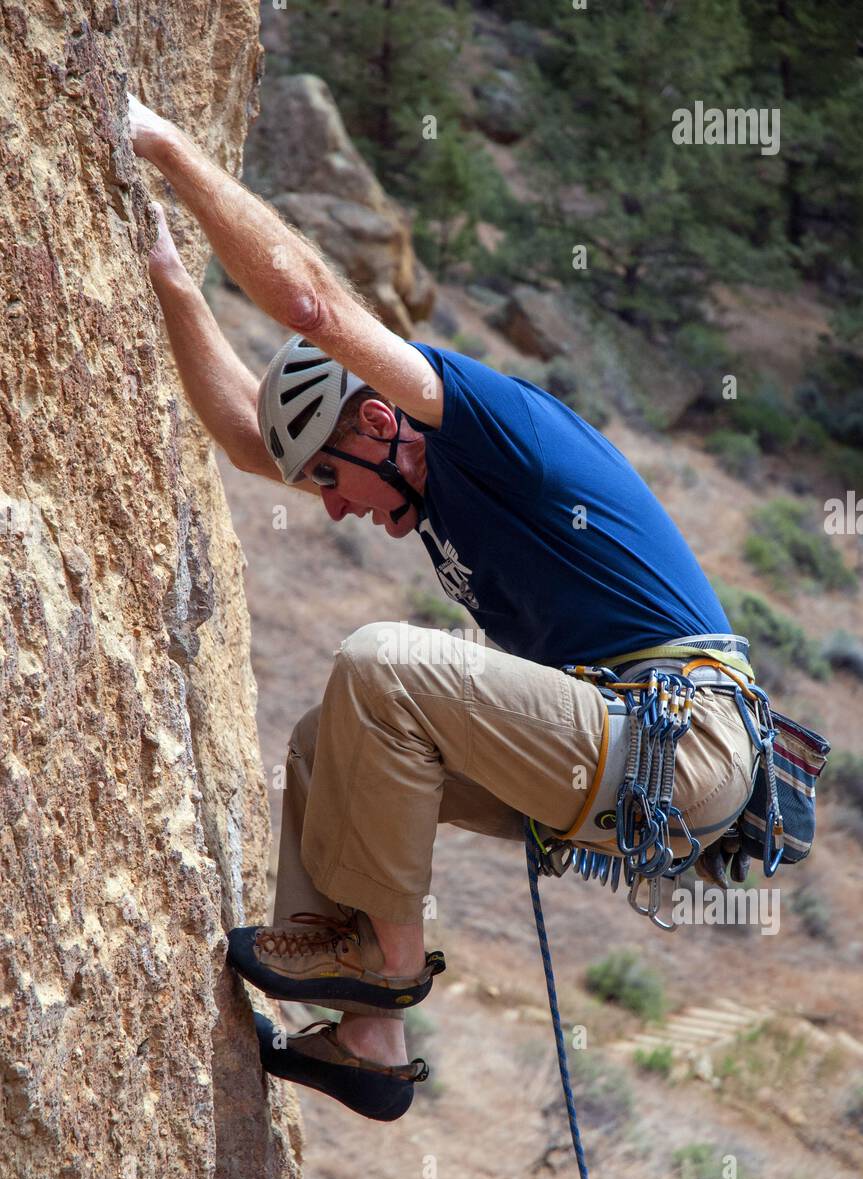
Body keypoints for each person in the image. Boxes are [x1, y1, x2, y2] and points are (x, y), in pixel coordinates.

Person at [128, 94, 758, 1123]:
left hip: (682, 735)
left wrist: (164, 145)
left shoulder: (479, 425)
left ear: (379, 422)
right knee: (323, 739)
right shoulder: (398, 470)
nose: (330, 508)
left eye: (332, 478)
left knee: (380, 662)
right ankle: (368, 1037)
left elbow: (313, 309)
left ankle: (379, 959)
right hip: (624, 749)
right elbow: (253, 441)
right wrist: (170, 285)